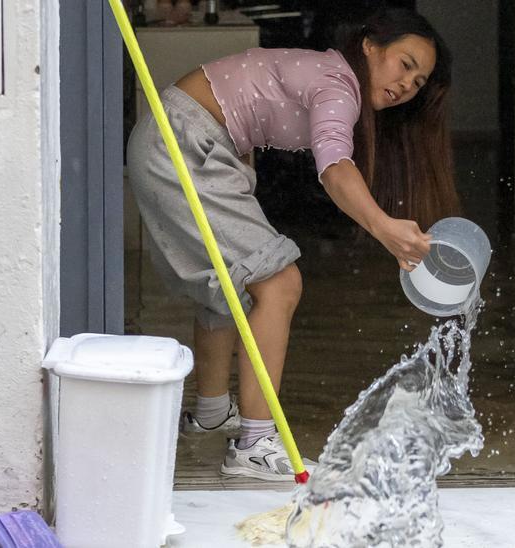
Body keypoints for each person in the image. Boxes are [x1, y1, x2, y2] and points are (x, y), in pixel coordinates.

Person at [126, 8, 458, 481]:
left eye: (419, 82)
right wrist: (384, 227)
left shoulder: (329, 76)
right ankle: (256, 444)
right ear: (369, 45)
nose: (408, 84)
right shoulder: (337, 84)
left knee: (233, 282)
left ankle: (213, 412)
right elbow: (334, 166)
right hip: (184, 143)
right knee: (279, 282)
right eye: (405, 64)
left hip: (190, 142)